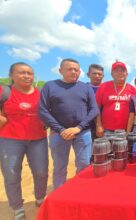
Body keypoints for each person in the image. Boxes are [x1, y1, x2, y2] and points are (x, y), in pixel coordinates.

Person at [0, 62, 48, 220]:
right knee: (12, 174)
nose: (27, 76)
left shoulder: (40, 92)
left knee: (41, 172)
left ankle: (40, 198)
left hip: (38, 140)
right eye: (22, 73)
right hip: (9, 140)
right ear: (11, 75)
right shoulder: (3, 91)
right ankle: (17, 207)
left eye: (30, 73)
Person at [39, 58, 98, 189]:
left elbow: (94, 109)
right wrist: (61, 130)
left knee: (84, 164)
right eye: (69, 69)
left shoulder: (85, 88)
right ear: (60, 70)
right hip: (58, 134)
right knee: (60, 167)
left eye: (76, 70)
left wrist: (78, 127)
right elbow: (42, 110)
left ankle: (81, 191)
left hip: (82, 133)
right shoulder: (50, 86)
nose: (73, 72)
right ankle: (59, 194)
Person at [95, 61, 136, 136]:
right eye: (116, 71)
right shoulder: (103, 87)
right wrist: (98, 125)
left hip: (126, 130)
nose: (119, 73)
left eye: (122, 71)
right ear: (112, 74)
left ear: (126, 74)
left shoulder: (132, 89)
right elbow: (96, 107)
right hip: (106, 129)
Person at [86, 64, 104, 140]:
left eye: (99, 74)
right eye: (94, 73)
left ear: (103, 76)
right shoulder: (83, 88)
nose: (97, 76)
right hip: (86, 125)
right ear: (88, 74)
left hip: (104, 125)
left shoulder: (107, 88)